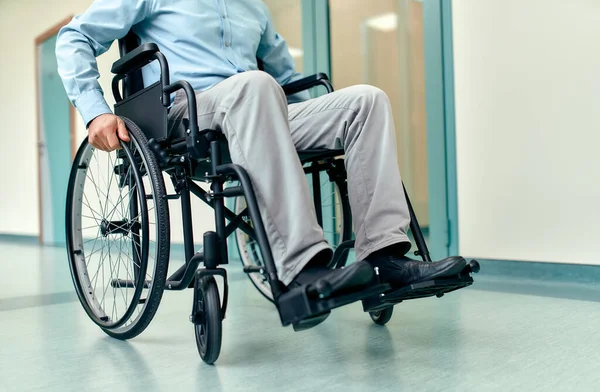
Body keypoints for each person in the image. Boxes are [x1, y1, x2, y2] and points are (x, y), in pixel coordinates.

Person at [56, 0, 466, 299]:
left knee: (365, 100)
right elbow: (74, 37)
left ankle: (385, 258)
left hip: (259, 105)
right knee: (255, 85)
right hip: (185, 111)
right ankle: (301, 269)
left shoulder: (253, 6)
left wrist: (314, 110)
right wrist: (95, 113)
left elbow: (286, 77)